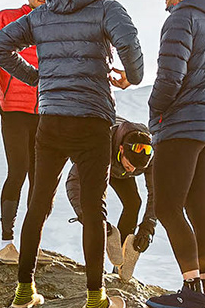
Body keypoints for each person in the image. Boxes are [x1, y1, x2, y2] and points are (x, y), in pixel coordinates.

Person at [0, 0, 144, 308]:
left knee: (39, 203)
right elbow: (130, 48)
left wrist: (37, 78)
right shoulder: (106, 8)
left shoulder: (44, 12)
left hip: (52, 119)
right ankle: (96, 299)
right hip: (93, 120)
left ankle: (24, 291)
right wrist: (130, 77)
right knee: (94, 207)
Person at [143, 0, 205, 308]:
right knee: (198, 208)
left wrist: (155, 109)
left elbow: (170, 76)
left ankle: (190, 292)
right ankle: (204, 294)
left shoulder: (181, 19)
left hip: (181, 124)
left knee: (166, 206)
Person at [0, 0, 52, 262]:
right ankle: (7, 243)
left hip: (47, 110)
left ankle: (33, 243)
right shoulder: (7, 18)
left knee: (42, 179)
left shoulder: (56, 23)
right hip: (13, 109)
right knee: (18, 170)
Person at [65, 120, 157, 283]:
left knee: (134, 203)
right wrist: (86, 216)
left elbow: (156, 193)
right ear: (122, 149)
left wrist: (148, 227)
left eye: (138, 169)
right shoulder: (99, 143)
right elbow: (73, 182)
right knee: (93, 206)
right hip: (98, 162)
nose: (133, 170)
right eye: (130, 165)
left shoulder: (151, 155)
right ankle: (95, 268)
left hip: (118, 169)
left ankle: (119, 264)